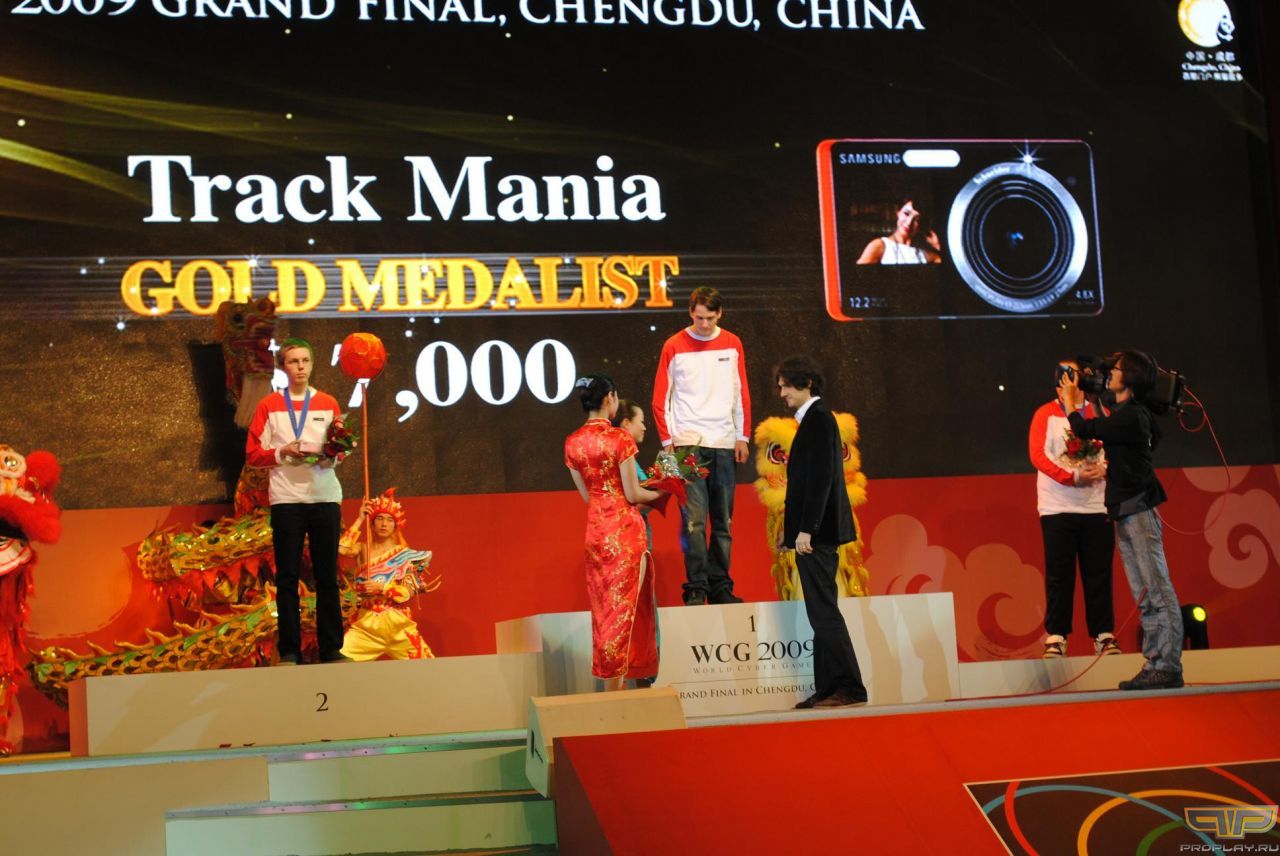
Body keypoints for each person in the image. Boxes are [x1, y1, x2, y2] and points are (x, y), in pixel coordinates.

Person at [1062, 351, 1184, 690]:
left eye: (1114, 370)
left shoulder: (1133, 416)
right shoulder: (1129, 416)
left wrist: (1071, 402)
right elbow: (1109, 426)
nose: (1108, 375)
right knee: (1145, 592)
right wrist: (1094, 400)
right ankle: (1157, 663)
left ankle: (1167, 665)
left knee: (1156, 589)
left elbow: (1085, 428)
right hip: (1128, 510)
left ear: (1129, 377)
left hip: (1138, 510)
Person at [245, 338, 348, 666]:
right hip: (287, 500)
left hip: (324, 496)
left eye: (305, 361)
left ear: (312, 364)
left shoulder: (328, 403)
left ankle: (331, 649)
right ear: (283, 367)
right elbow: (252, 454)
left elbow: (341, 447)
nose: (300, 367)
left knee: (327, 576)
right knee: (287, 577)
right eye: (293, 361)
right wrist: (282, 452)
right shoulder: (269, 405)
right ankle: (290, 650)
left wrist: (332, 456)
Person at [775, 356, 868, 710]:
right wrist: (792, 531)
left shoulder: (819, 419)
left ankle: (850, 687)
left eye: (786, 385)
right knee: (819, 612)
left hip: (818, 536)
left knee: (824, 612)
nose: (782, 393)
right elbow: (805, 484)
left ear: (807, 383)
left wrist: (806, 530)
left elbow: (820, 481)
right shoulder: (813, 420)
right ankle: (827, 687)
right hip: (811, 534)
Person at [652, 287, 750, 605]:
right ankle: (696, 586)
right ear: (690, 313)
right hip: (686, 445)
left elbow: (740, 393)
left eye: (710, 318)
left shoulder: (733, 343)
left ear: (719, 313)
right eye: (698, 318)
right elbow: (661, 399)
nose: (704, 324)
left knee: (724, 521)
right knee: (693, 520)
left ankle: (720, 585)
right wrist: (668, 442)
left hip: (724, 442)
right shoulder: (673, 345)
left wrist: (742, 436)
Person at [565, 376, 663, 691]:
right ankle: (615, 695)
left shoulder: (572, 443)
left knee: (604, 614)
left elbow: (588, 497)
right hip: (624, 533)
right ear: (610, 398)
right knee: (626, 613)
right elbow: (633, 494)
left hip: (596, 534)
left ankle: (611, 690)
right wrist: (664, 492)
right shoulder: (619, 439)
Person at [1029, 359, 1119, 659]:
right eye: (1063, 376)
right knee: (1059, 574)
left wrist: (1105, 468)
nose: (1067, 381)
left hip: (1096, 506)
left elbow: (1117, 447)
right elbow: (1038, 455)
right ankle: (1057, 635)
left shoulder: (1098, 412)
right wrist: (1073, 476)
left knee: (1099, 573)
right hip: (1057, 507)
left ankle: (1103, 634)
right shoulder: (1045, 414)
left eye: (1073, 374)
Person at [338, 489, 440, 661]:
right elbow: (341, 549)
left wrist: (382, 587)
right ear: (372, 523)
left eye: (389, 520)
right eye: (379, 518)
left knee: (427, 667)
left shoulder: (405, 555)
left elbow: (406, 592)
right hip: (366, 626)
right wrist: (360, 518)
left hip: (398, 626)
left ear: (396, 525)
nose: (384, 524)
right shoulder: (362, 549)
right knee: (340, 664)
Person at [855, 198, 942, 265]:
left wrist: (937, 245)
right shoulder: (879, 245)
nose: (909, 222)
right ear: (898, 213)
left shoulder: (925, 255)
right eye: (906, 213)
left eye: (917, 219)